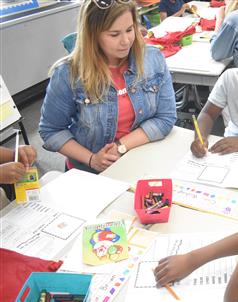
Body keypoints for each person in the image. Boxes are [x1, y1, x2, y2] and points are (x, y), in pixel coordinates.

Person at [39, 0, 177, 174]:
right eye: (114, 34)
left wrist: (120, 147)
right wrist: (92, 159)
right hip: (89, 172)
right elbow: (51, 130)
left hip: (140, 161)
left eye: (129, 30)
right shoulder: (68, 74)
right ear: (92, 34)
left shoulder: (152, 59)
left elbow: (166, 117)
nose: (126, 41)